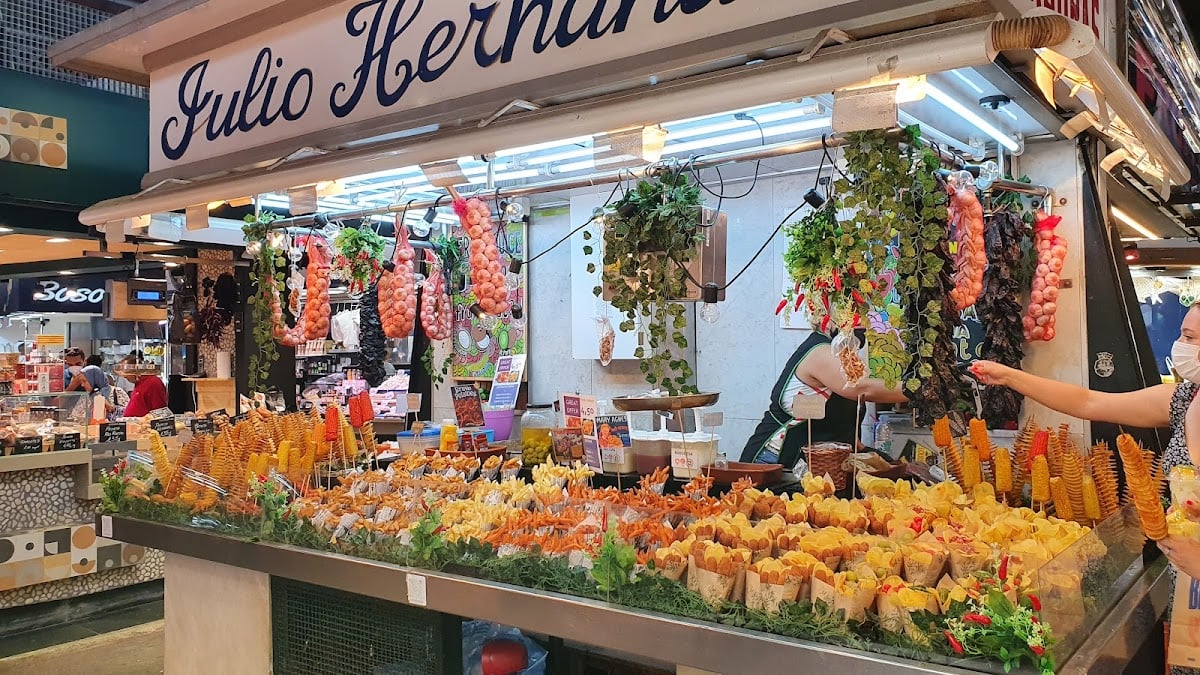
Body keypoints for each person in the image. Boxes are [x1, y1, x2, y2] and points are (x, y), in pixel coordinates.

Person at [971, 302, 1200, 675]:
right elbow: (1090, 402)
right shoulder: (1183, 400)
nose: (1179, 345)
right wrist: (1012, 377)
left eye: (1189, 338)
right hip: (1185, 595)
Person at [741, 330, 907, 469]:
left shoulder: (845, 357)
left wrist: (871, 455)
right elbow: (863, 389)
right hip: (776, 461)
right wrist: (918, 390)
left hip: (819, 466)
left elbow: (839, 423)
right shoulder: (820, 352)